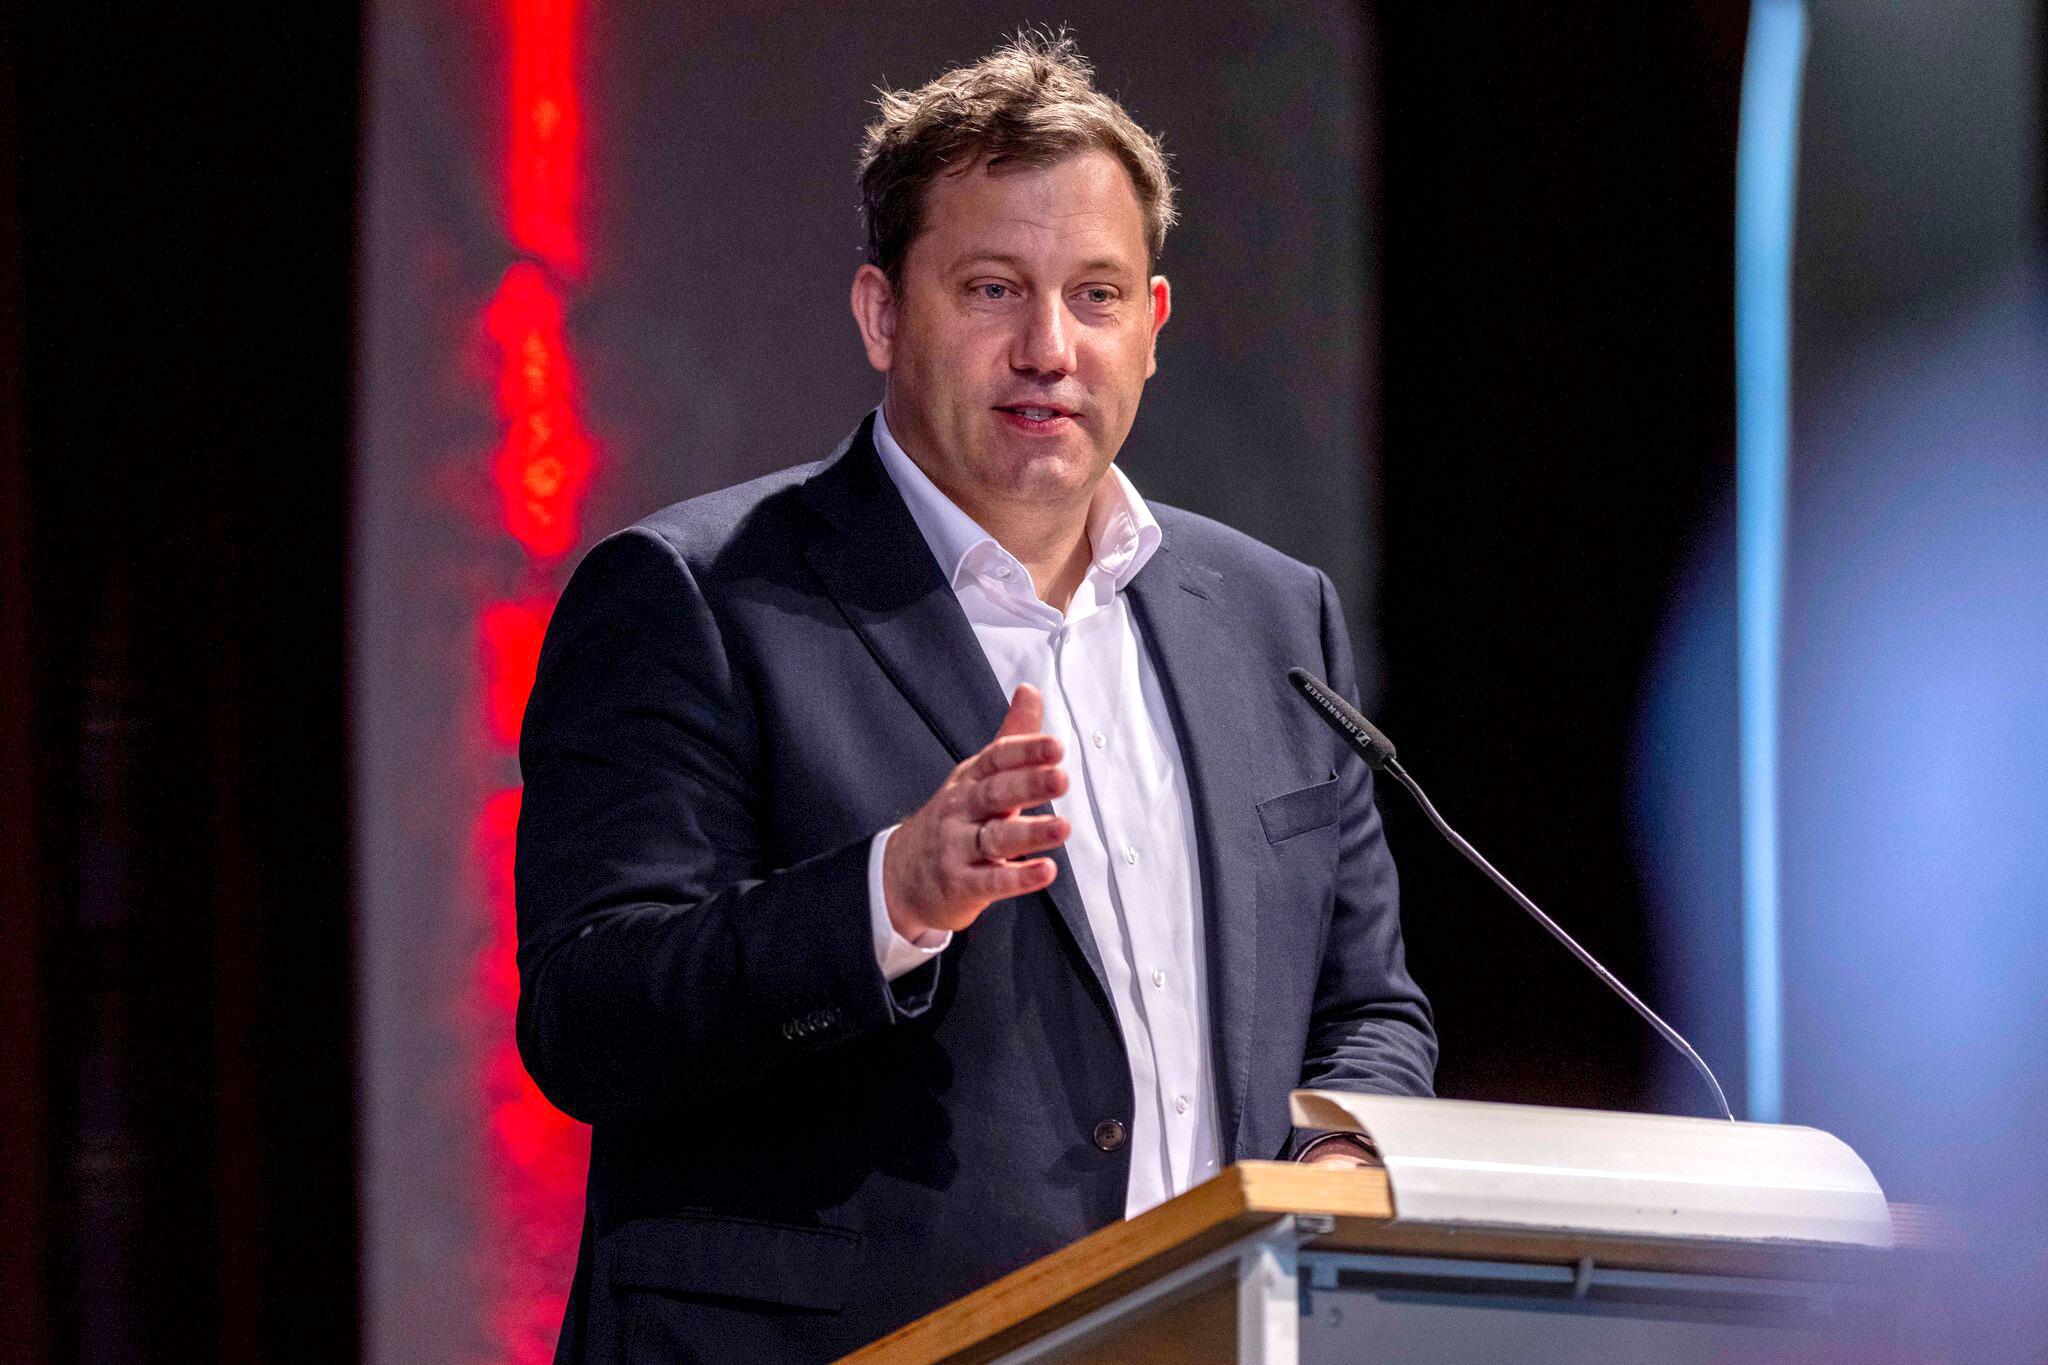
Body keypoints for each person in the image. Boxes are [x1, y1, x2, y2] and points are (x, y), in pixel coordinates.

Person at [515, 32, 1434, 1364]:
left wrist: (1338, 1163)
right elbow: (591, 1020)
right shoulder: (696, 597)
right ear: (883, 314)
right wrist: (886, 896)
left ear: (1152, 325)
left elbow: (1367, 1010)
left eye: (1096, 295)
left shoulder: (1273, 620)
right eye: (993, 289)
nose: (1048, 348)